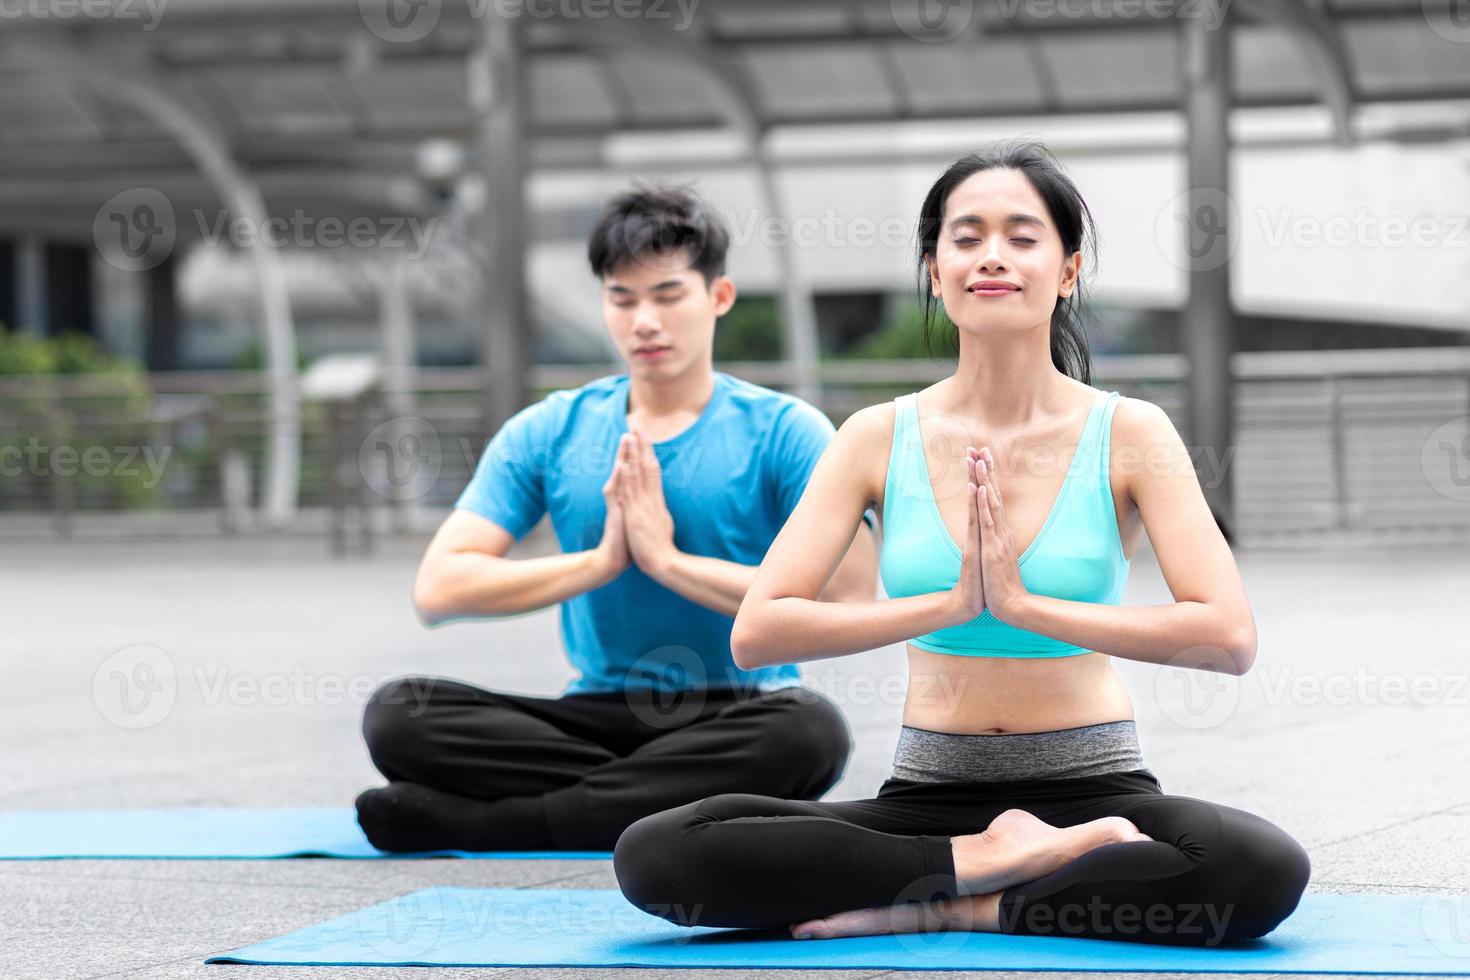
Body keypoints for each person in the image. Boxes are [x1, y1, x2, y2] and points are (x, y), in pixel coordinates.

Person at [613, 141, 1311, 946]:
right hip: (927, 795)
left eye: (1022, 236)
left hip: (1097, 791)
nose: (992, 257)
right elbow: (761, 628)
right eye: (966, 236)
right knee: (659, 853)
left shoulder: (1130, 433)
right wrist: (945, 605)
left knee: (1259, 868)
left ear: (1069, 269)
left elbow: (1226, 637)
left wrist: (1024, 606)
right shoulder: (876, 435)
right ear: (936, 270)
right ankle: (979, 858)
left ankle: (960, 899)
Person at [355, 185, 877, 853]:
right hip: (594, 713)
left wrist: (670, 563)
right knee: (400, 716)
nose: (644, 322)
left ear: (718, 296)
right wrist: (601, 563)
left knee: (811, 735)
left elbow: (848, 598)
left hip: (740, 712)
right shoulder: (550, 429)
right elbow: (439, 591)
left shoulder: (786, 431)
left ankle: (493, 825)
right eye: (622, 299)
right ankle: (659, 804)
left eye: (666, 295)